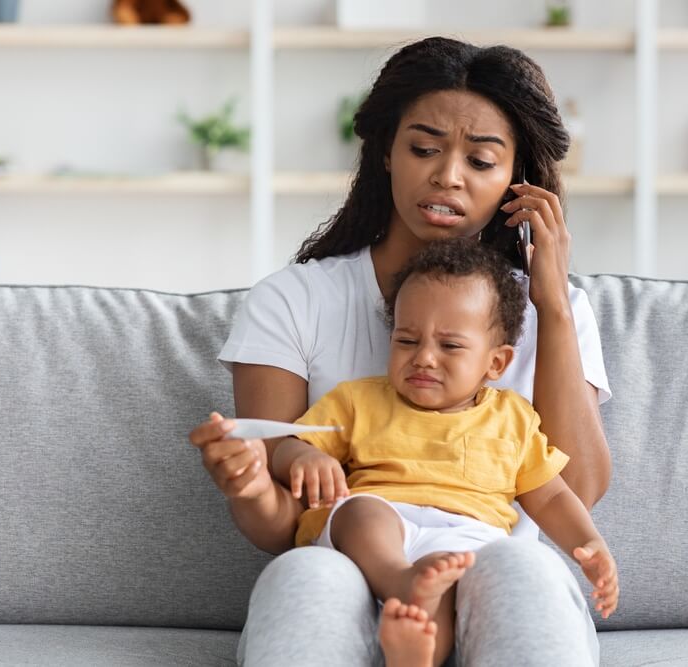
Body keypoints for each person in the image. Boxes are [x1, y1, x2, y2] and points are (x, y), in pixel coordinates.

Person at [188, 35, 613, 666]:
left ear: (515, 181)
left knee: (520, 569)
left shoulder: (553, 311)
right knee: (309, 575)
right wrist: (250, 482)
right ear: (386, 151)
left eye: (482, 161)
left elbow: (573, 487)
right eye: (424, 149)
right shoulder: (295, 300)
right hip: (347, 571)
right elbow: (283, 525)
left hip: (488, 573)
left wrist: (550, 308)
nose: (447, 176)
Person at [280, 239, 618, 666]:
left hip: (468, 535)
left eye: (450, 346)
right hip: (383, 531)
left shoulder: (512, 417)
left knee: (443, 574)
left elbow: (550, 495)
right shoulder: (357, 400)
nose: (423, 358)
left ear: (496, 364)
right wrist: (304, 457)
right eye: (406, 340)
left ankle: (418, 656)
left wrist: (589, 544)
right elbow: (289, 446)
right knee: (359, 511)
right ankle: (398, 581)